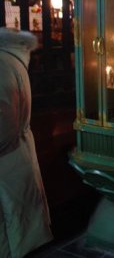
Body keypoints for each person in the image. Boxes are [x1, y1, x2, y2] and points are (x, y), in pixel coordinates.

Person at [0, 28, 53, 256]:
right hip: (16, 159)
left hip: (7, 164)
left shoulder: (2, 65)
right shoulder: (11, 60)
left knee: (14, 232)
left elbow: (4, 126)